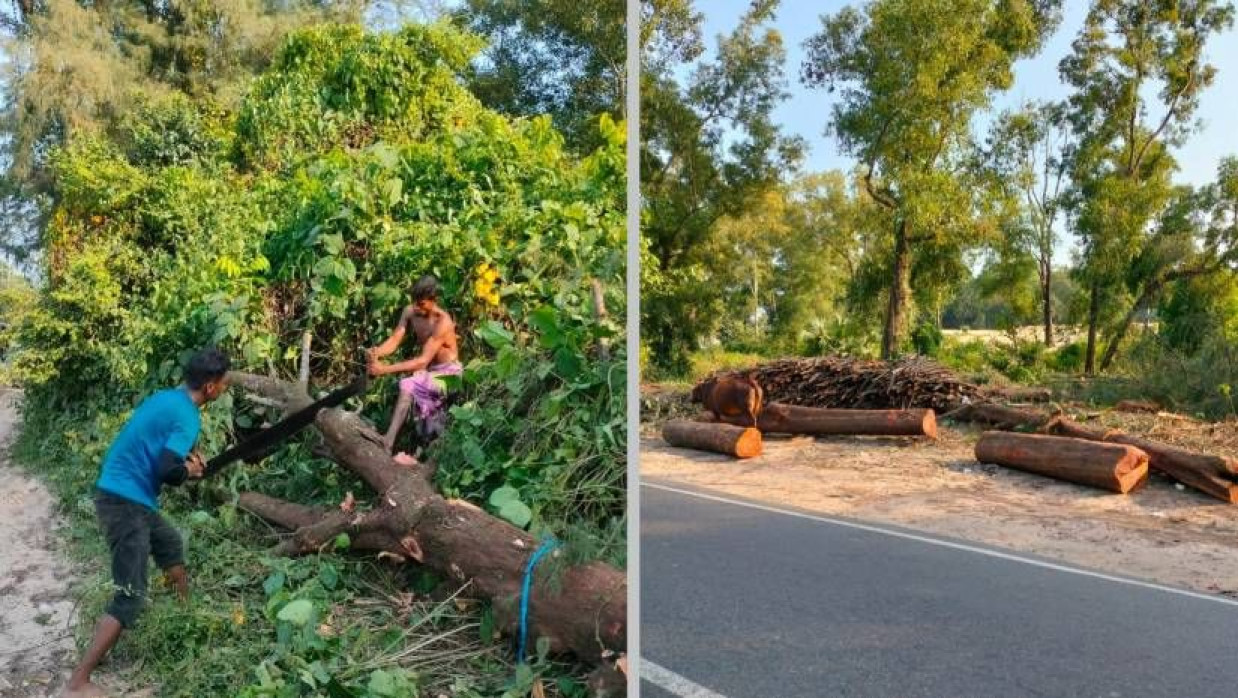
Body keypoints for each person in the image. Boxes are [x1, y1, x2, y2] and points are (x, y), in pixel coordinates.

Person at [62, 348, 230, 698]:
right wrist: (189, 472)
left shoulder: (168, 399)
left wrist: (187, 465)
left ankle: (186, 617)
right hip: (124, 502)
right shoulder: (188, 416)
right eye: (225, 383)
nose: (226, 388)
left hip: (129, 496)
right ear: (211, 387)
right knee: (130, 595)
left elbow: (159, 448)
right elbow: (168, 471)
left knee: (170, 545)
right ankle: (78, 682)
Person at [368, 275, 462, 453]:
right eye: (416, 303)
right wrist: (376, 352)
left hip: (451, 377)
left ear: (434, 300)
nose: (418, 308)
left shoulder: (443, 322)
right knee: (412, 386)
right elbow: (395, 339)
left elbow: (422, 361)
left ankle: (388, 441)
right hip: (431, 373)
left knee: (408, 384)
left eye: (422, 304)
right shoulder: (410, 311)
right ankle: (399, 446)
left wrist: (383, 369)